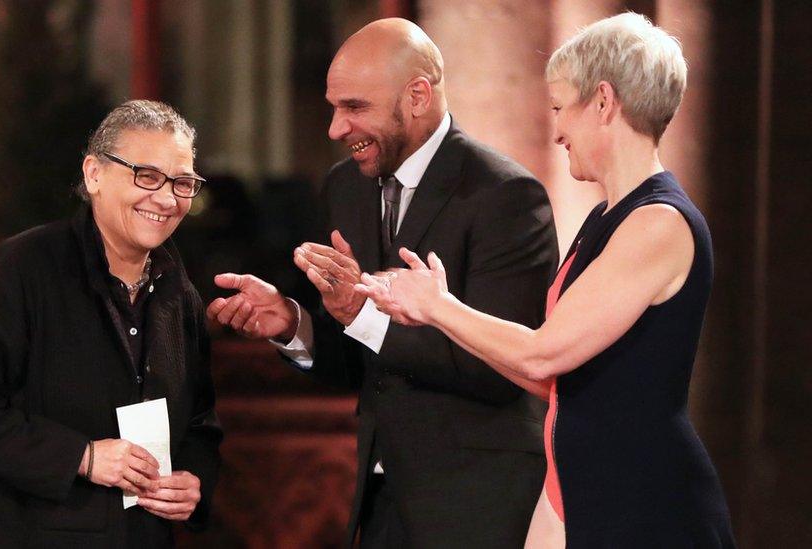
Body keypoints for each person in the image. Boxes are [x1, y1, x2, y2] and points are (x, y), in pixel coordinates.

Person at [356, 13, 735, 548]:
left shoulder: (659, 223)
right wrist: (429, 312)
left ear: (603, 102)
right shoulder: (608, 217)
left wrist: (440, 306)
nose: (555, 131)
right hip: (581, 487)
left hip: (642, 499)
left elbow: (542, 355)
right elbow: (551, 379)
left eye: (560, 108)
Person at [208, 18, 559, 548]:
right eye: (333, 108)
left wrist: (361, 315)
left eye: (354, 108)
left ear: (417, 96)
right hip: (377, 499)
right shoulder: (344, 187)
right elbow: (362, 361)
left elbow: (503, 370)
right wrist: (293, 323)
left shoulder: (505, 196)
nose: (335, 128)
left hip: (477, 502)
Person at [0, 100, 222, 548]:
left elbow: (201, 422)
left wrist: (193, 483)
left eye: (182, 183)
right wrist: (82, 457)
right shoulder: (21, 269)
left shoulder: (178, 292)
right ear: (94, 174)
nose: (167, 198)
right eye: (146, 176)